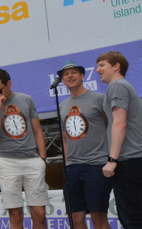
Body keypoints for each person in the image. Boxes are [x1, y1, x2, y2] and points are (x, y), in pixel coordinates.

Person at [0, 68, 49, 229]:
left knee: (39, 214)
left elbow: (37, 130)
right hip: (7, 162)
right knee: (16, 215)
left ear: (9, 84)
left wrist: (43, 159)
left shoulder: (26, 99)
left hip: (32, 160)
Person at [57, 60, 111, 229]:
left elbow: (112, 128)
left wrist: (111, 159)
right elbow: (65, 138)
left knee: (98, 217)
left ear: (82, 76)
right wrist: (66, 165)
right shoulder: (62, 106)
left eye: (73, 72)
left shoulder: (99, 98)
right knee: (75, 219)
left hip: (97, 165)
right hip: (72, 168)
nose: (69, 76)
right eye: (65, 74)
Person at [97, 51, 142, 228]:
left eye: (102, 65)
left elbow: (120, 123)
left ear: (116, 66)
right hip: (134, 160)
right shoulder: (125, 87)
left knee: (132, 218)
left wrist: (112, 160)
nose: (97, 69)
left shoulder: (117, 86)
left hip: (128, 161)